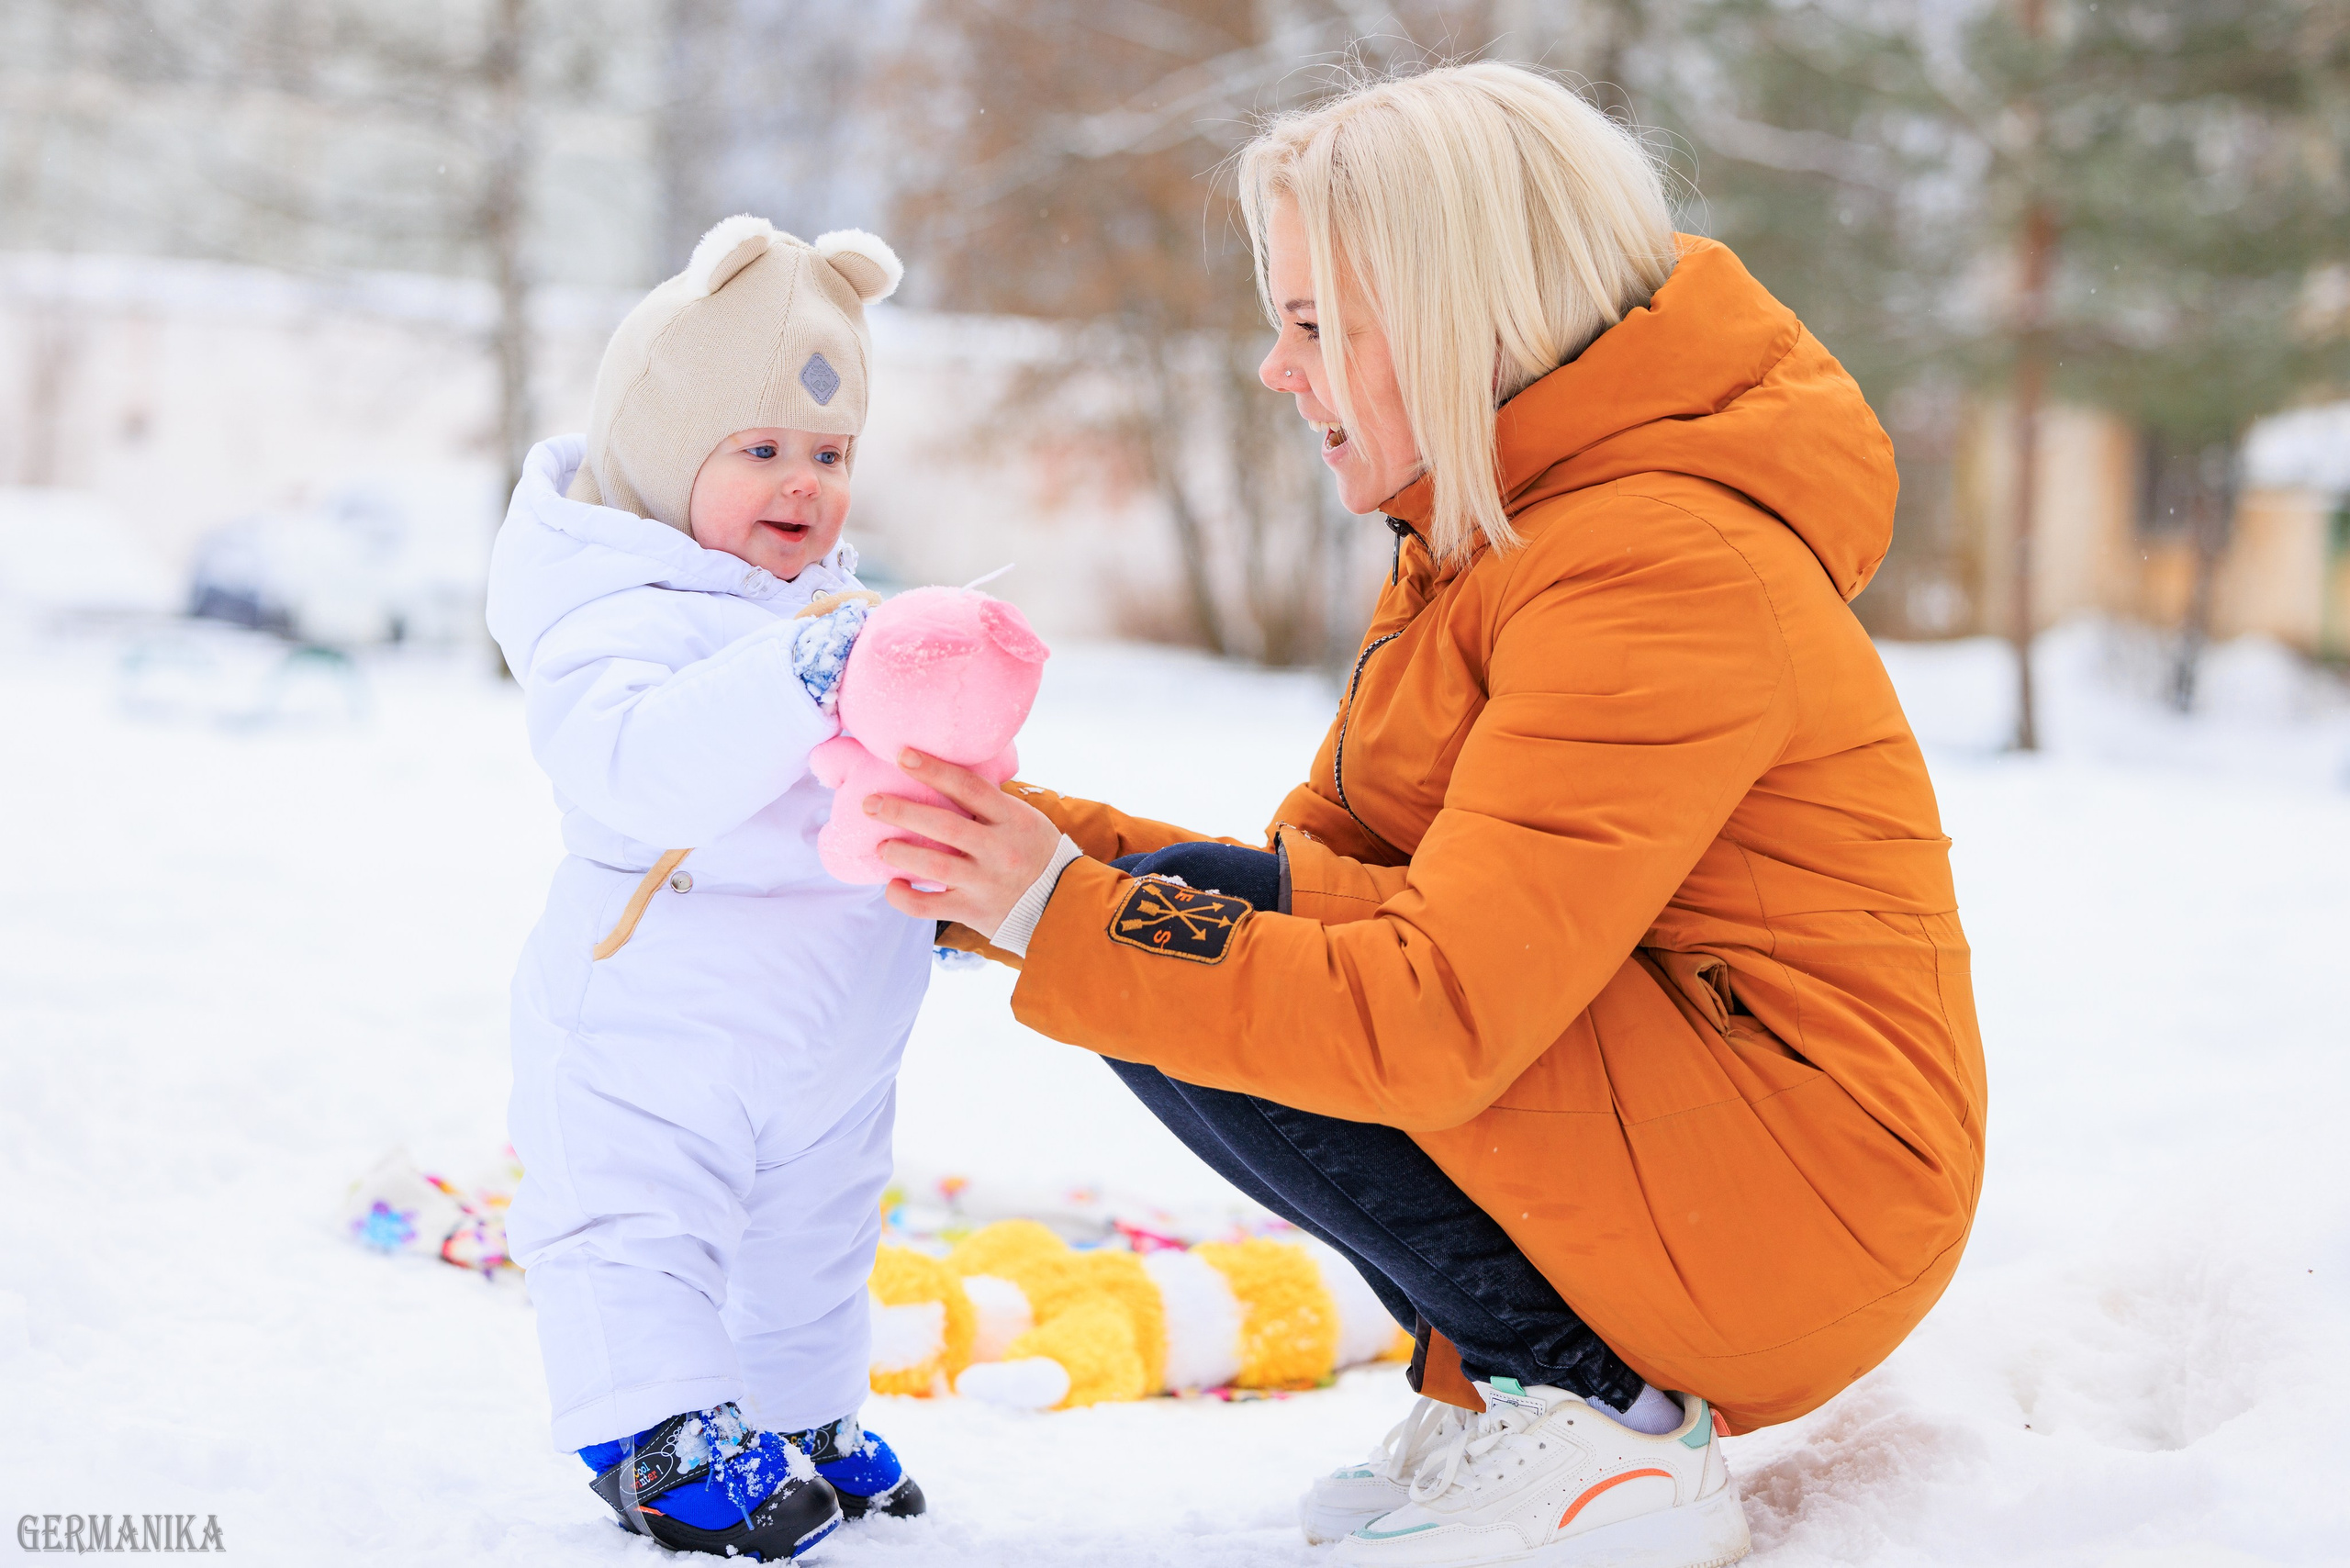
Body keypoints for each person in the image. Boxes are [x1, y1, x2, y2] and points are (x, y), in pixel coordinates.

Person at [867, 63, 1986, 1568]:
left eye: (1314, 325)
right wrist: (1012, 851)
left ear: (1458, 317)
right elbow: (1319, 888)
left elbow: (1435, 1011)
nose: (1276, 369)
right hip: (1716, 1145)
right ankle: (1532, 1383)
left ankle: (1600, 1418)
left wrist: (1052, 904)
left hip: (1798, 1200)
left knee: (1171, 950)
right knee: (1178, 941)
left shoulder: (1654, 566)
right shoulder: (1506, 536)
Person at [485, 215, 930, 1562]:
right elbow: (638, 770)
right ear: (667, 452)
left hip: (827, 1027)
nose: (804, 484)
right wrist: (797, 676)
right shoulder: (616, 610)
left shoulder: (832, 611)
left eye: (830, 455)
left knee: (818, 1231)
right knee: (637, 1218)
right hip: (655, 1025)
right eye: (762, 450)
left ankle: (798, 1411)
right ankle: (655, 1430)